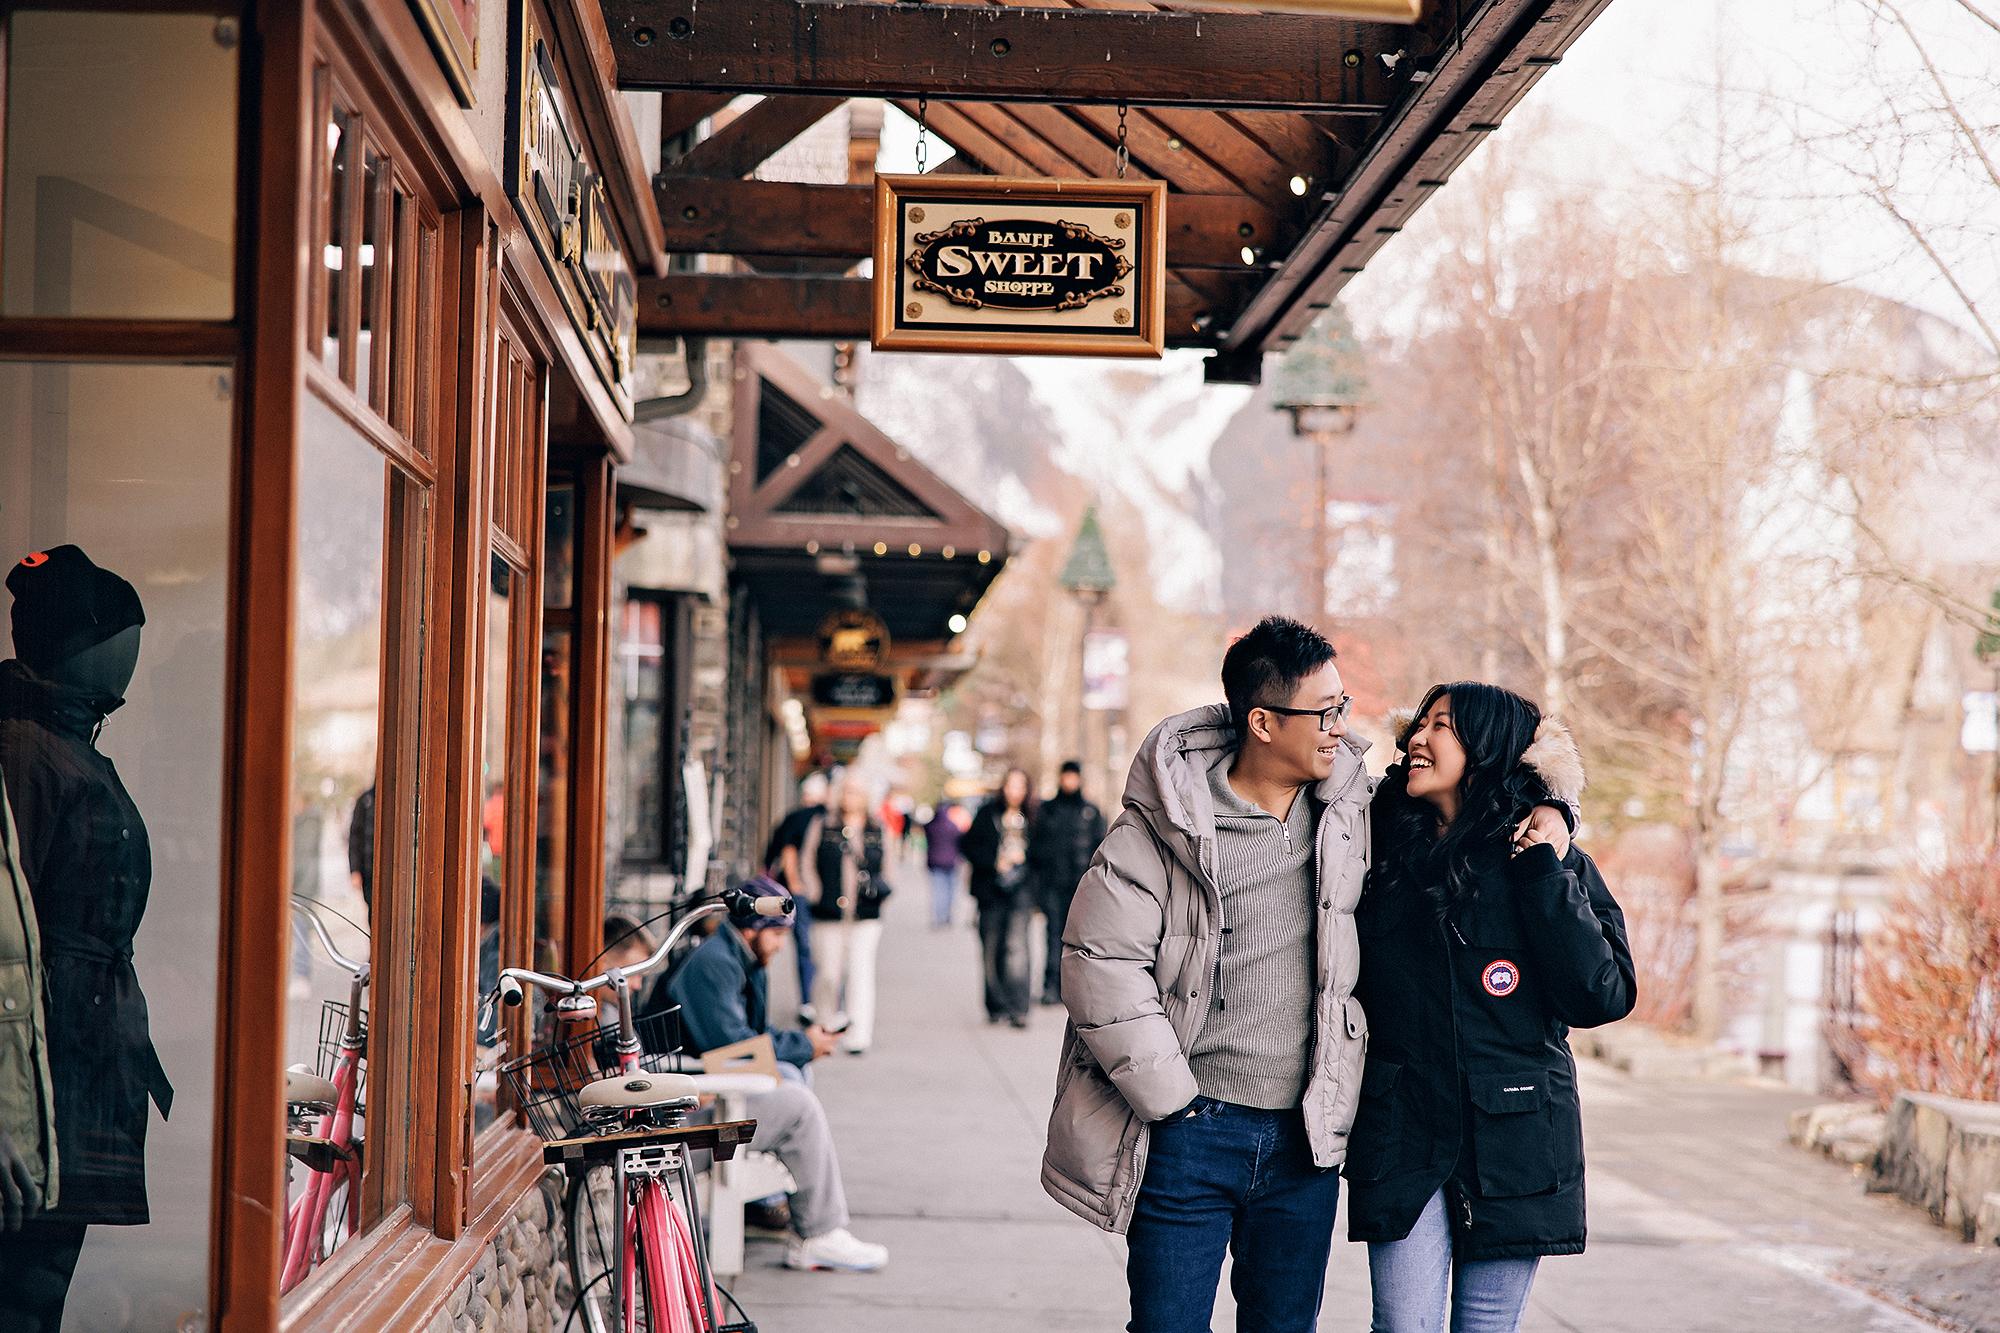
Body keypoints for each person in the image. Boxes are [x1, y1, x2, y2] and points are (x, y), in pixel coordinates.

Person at [1041, 616, 1577, 1333]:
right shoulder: (1160, 826)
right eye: (1323, 713)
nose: (1340, 727)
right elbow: (1100, 968)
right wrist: (1175, 1104)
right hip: (1188, 1133)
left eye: (1342, 706)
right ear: (1262, 721)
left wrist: (1556, 806)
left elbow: (1480, 792)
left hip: (1305, 1141)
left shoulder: (1358, 810)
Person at [1346, 683, 1630, 1333]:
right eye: (1417, 723)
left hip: (1515, 1132)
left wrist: (1544, 867)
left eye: (1440, 726)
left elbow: (1601, 993)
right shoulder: (1375, 843)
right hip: (1404, 1122)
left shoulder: (1546, 855)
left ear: (1486, 745)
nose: (1417, 737)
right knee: (1402, 1322)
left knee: (1486, 1326)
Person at [0, 547, 173, 1332]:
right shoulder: (24, 752)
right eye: (117, 635)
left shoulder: (56, 742)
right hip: (46, 1061)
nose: (128, 653)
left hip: (76, 1053)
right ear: (79, 644)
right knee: (24, 1285)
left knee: (39, 1280)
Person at [661, 891, 890, 1272]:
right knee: (798, 1106)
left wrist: (803, 1046)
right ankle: (818, 1233)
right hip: (684, 1115)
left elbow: (751, 1038)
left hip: (695, 1097)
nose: (783, 946)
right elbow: (736, 1049)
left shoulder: (742, 960)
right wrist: (804, 1044)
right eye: (777, 935)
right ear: (752, 927)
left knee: (792, 1076)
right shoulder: (715, 964)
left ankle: (772, 1205)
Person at [804, 778, 891, 1054]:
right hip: (828, 912)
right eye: (847, 791)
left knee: (860, 972)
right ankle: (825, 1029)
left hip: (865, 915)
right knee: (828, 973)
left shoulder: (876, 828)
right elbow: (808, 861)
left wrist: (882, 892)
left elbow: (889, 867)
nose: (850, 797)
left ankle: (858, 1036)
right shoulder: (824, 825)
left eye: (856, 791)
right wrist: (815, 892)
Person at [961, 768, 1037, 1028]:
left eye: (1020, 786)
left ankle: (1019, 1007)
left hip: (1021, 891)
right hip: (990, 891)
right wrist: (995, 861)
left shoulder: (1035, 817)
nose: (1014, 791)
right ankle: (996, 1005)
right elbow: (969, 846)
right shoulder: (986, 814)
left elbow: (1044, 853)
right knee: (991, 949)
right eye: (1010, 785)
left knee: (1016, 949)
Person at [1028, 760, 1105, 1006]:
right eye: (1066, 777)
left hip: (1081, 887)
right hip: (1052, 885)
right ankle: (1051, 986)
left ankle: (1072, 990)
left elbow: (1100, 849)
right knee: (1052, 937)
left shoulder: (1090, 812)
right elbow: (1036, 849)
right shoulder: (1047, 810)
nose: (1070, 782)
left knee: (1078, 941)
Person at [764, 772, 829, 1013]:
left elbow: (781, 853)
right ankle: (816, 1000)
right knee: (816, 946)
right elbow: (789, 853)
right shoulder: (818, 818)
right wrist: (796, 884)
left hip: (800, 890)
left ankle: (807, 1000)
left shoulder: (795, 817)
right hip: (811, 891)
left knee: (805, 946)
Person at [922, 799, 965, 929]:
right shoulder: (953, 826)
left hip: (935, 862)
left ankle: (938, 917)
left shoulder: (931, 826)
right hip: (951, 862)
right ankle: (946, 916)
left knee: (938, 890)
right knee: (950, 891)